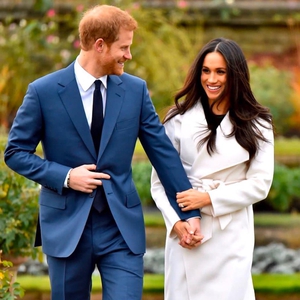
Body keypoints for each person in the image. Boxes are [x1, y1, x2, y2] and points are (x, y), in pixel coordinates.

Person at [4, 5, 202, 300]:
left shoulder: (135, 91)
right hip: (67, 227)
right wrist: (67, 176)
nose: (129, 55)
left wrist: (190, 212)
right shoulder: (43, 91)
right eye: (124, 47)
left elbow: (163, 154)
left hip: (120, 228)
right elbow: (15, 152)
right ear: (100, 45)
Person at [151, 37, 275, 300]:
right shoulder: (177, 119)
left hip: (229, 234)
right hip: (186, 231)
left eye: (221, 72)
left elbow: (260, 184)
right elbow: (159, 182)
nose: (212, 79)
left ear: (236, 75)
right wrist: (177, 224)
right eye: (206, 71)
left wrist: (208, 198)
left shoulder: (258, 123)